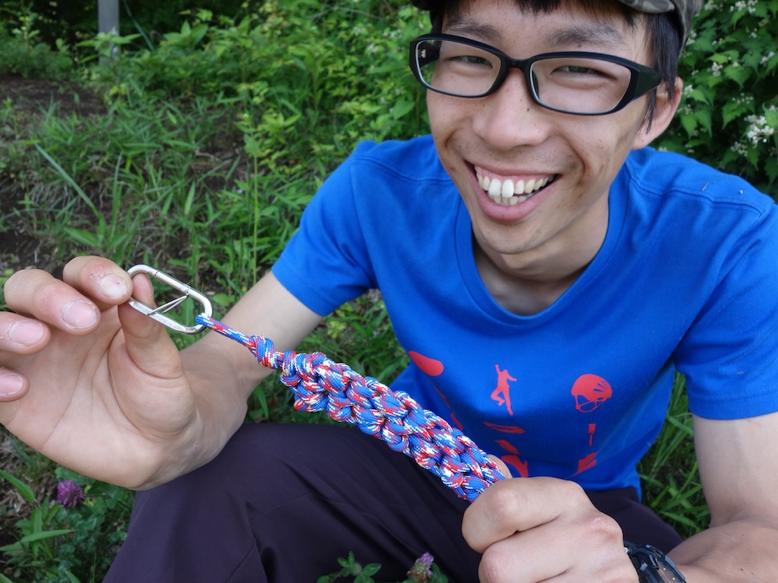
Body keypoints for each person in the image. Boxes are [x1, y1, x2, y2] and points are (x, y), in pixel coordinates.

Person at [1, 0, 777, 580]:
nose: (505, 128)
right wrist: (177, 424)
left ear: (655, 110)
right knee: (208, 483)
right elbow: (231, 360)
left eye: (579, 69)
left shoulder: (723, 240)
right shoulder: (379, 194)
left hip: (591, 512)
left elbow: (760, 526)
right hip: (409, 473)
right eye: (470, 55)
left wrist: (656, 576)